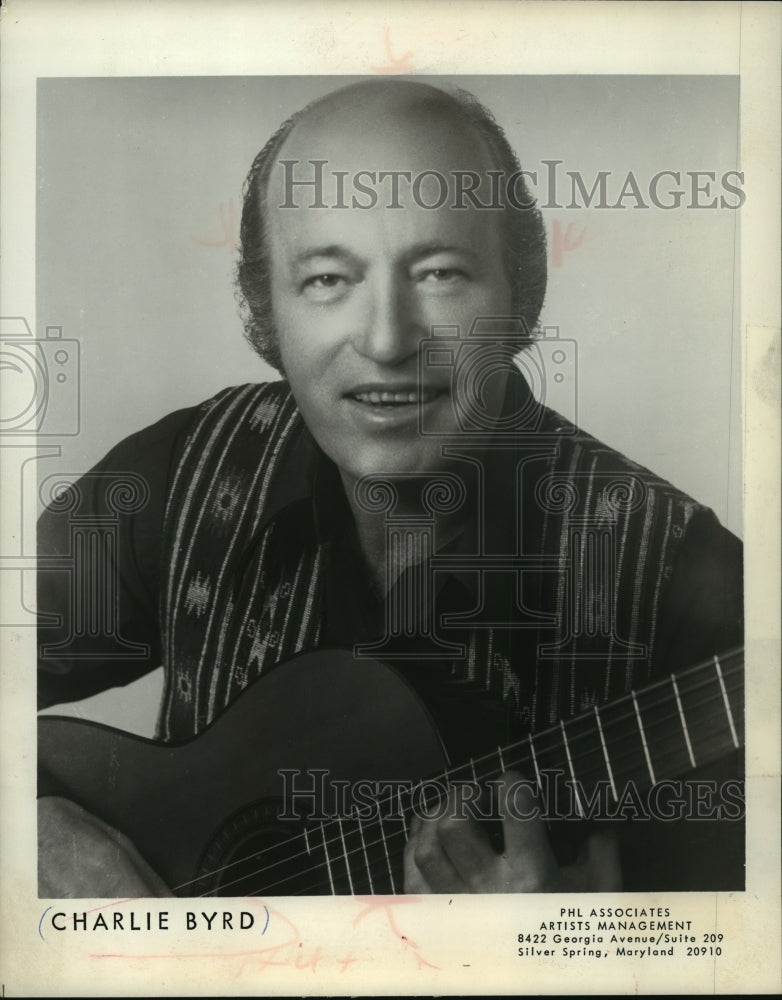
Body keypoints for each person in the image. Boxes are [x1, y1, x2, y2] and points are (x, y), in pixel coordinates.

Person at [37, 79, 743, 897]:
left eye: (440, 272)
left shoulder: (685, 585)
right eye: (327, 280)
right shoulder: (183, 474)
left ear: (520, 294)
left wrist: (571, 942)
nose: (385, 339)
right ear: (265, 309)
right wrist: (39, 835)